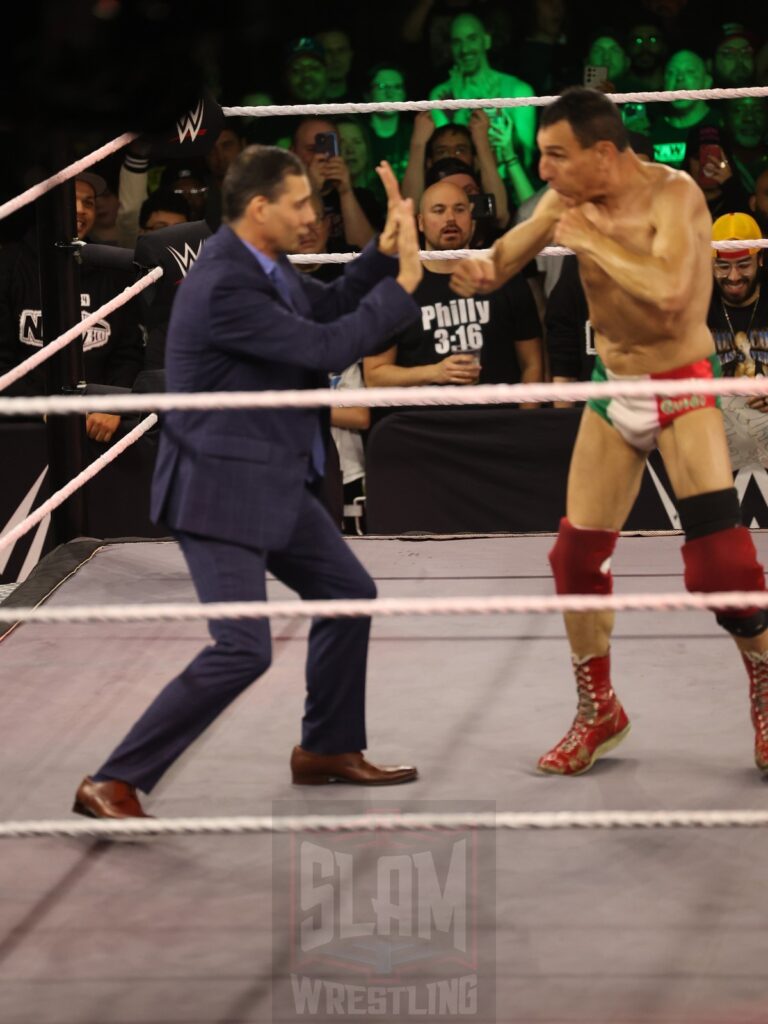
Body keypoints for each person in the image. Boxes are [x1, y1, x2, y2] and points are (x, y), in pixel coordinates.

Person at [72, 148, 424, 819]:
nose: (311, 216)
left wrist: (381, 252)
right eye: (299, 204)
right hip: (216, 487)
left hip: (270, 478)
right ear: (259, 208)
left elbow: (331, 306)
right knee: (242, 648)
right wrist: (404, 286)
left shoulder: (266, 265)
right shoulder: (225, 283)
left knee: (349, 594)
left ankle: (326, 745)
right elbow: (325, 350)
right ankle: (112, 781)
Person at [450, 86, 768, 776]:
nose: (545, 171)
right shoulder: (568, 199)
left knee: (723, 566)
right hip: (613, 384)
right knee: (574, 559)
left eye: (556, 155)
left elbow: (676, 297)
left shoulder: (675, 196)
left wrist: (591, 240)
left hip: (681, 380)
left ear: (602, 152)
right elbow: (507, 254)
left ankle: (765, 685)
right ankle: (600, 711)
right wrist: (476, 270)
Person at [0, 171, 143, 443]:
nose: (80, 210)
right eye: (70, 200)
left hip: (99, 432)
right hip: (21, 436)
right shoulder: (9, 266)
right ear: (45, 206)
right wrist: (44, 408)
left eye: (88, 203)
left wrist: (112, 402)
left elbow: (128, 353)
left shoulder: (110, 268)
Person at [365, 180, 543, 391]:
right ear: (420, 222)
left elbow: (532, 364)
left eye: (459, 210)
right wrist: (434, 372)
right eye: (438, 210)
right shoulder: (396, 287)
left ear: (472, 219)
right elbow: (374, 375)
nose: (450, 219)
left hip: (498, 418)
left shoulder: (503, 275)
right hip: (426, 421)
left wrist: (522, 421)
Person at [428, 12, 536, 172]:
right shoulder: (441, 95)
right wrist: (461, 105)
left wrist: (493, 111)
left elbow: (526, 160)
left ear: (486, 40)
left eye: (472, 39)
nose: (464, 49)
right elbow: (448, 161)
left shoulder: (519, 91)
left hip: (510, 188)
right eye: (457, 42)